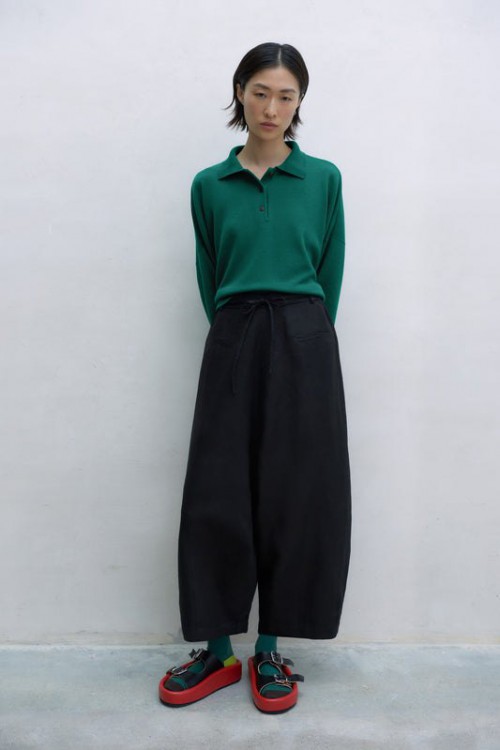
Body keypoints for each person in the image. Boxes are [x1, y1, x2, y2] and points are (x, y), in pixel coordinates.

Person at [158, 41, 351, 714]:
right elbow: (210, 274)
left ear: (300, 103)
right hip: (234, 332)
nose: (272, 107)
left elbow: (329, 272)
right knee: (216, 490)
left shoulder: (323, 179)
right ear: (240, 91)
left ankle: (270, 649)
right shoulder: (209, 185)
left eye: (286, 96)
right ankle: (217, 652)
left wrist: (304, 333)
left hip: (305, 336)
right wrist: (238, 328)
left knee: (295, 492)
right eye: (261, 92)